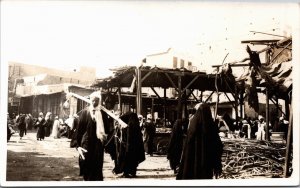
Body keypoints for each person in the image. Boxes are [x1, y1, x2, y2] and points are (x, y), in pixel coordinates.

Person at [71, 91, 111, 181]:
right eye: (92, 100)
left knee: (97, 163)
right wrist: (78, 144)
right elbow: (79, 129)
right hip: (87, 142)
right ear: (90, 100)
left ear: (99, 101)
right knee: (86, 162)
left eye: (96, 100)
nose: (94, 102)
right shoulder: (85, 112)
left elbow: (107, 128)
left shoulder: (103, 113)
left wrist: (104, 136)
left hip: (98, 143)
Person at [176, 103, 223, 179]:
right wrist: (217, 165)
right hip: (207, 164)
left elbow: (187, 144)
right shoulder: (211, 126)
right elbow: (218, 147)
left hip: (191, 162)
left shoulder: (192, 124)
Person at [110, 112, 145, 178]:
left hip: (127, 147)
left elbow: (127, 138)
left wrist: (127, 146)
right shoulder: (135, 125)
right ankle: (132, 172)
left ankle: (126, 173)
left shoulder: (128, 126)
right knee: (133, 160)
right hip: (135, 147)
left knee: (126, 159)